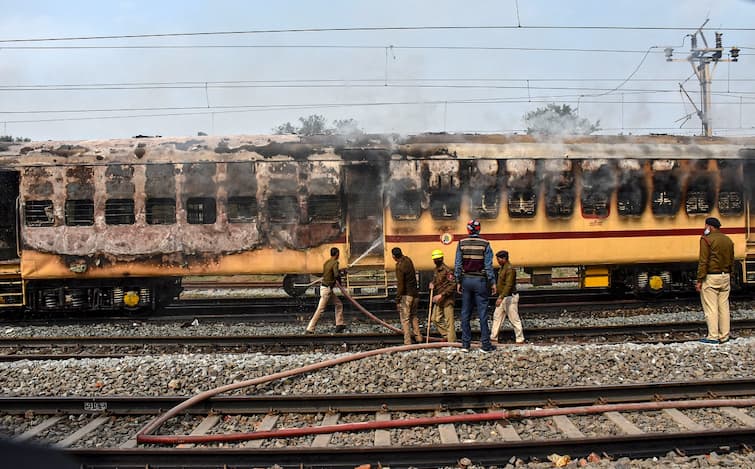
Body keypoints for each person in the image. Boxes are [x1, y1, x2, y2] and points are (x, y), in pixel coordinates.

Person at [454, 219, 497, 352]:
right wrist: (493, 282)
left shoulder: (461, 243)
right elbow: (488, 266)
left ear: (468, 230)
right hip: (480, 281)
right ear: (479, 230)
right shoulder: (485, 244)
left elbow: (458, 265)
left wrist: (458, 281)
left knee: (465, 313)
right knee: (482, 313)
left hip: (466, 280)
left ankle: (465, 345)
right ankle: (485, 345)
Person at [696, 217, 734, 344]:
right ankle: (725, 336)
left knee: (711, 307)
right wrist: (730, 275)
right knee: (724, 307)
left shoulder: (706, 239)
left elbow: (703, 261)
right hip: (725, 276)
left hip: (711, 277)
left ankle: (713, 336)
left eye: (705, 226)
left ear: (710, 227)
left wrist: (700, 279)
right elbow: (731, 260)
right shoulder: (728, 240)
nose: (704, 228)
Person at [306, 247, 346, 334]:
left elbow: (330, 274)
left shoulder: (327, 263)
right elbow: (336, 275)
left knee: (339, 304)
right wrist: (341, 283)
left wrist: (340, 273)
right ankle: (310, 328)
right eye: (338, 254)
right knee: (320, 309)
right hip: (326, 290)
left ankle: (339, 324)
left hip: (327, 288)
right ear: (337, 254)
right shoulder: (335, 263)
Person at [491, 250, 525, 344]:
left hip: (509, 297)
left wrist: (500, 297)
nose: (497, 261)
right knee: (497, 316)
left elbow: (508, 285)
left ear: (504, 259)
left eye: (498, 259)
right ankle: (493, 337)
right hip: (504, 296)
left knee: (514, 318)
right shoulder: (503, 268)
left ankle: (520, 338)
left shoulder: (509, 269)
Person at [393, 247, 422, 345]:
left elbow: (401, 285)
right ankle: (419, 338)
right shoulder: (408, 260)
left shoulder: (400, 266)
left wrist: (397, 300)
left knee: (405, 319)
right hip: (415, 294)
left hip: (407, 296)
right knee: (413, 316)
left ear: (394, 257)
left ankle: (407, 342)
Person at [428, 249, 457, 342]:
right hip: (440, 299)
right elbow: (436, 281)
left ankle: (452, 342)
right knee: (435, 318)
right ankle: (446, 335)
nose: (436, 261)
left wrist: (442, 295)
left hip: (447, 300)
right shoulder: (436, 270)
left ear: (441, 259)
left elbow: (453, 284)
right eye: (435, 259)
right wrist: (432, 283)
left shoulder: (447, 270)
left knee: (449, 322)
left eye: (437, 259)